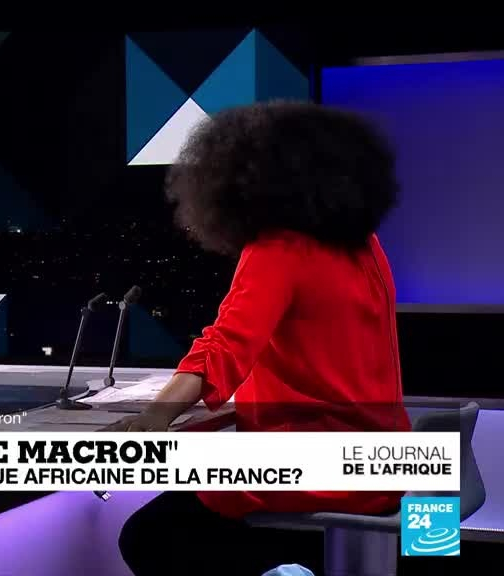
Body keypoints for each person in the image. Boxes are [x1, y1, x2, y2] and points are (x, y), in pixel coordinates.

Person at [108, 101, 411, 575]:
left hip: (318, 465)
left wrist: (156, 414)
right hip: (379, 461)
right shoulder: (363, 241)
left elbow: (224, 345)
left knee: (147, 535)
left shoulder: (279, 246)